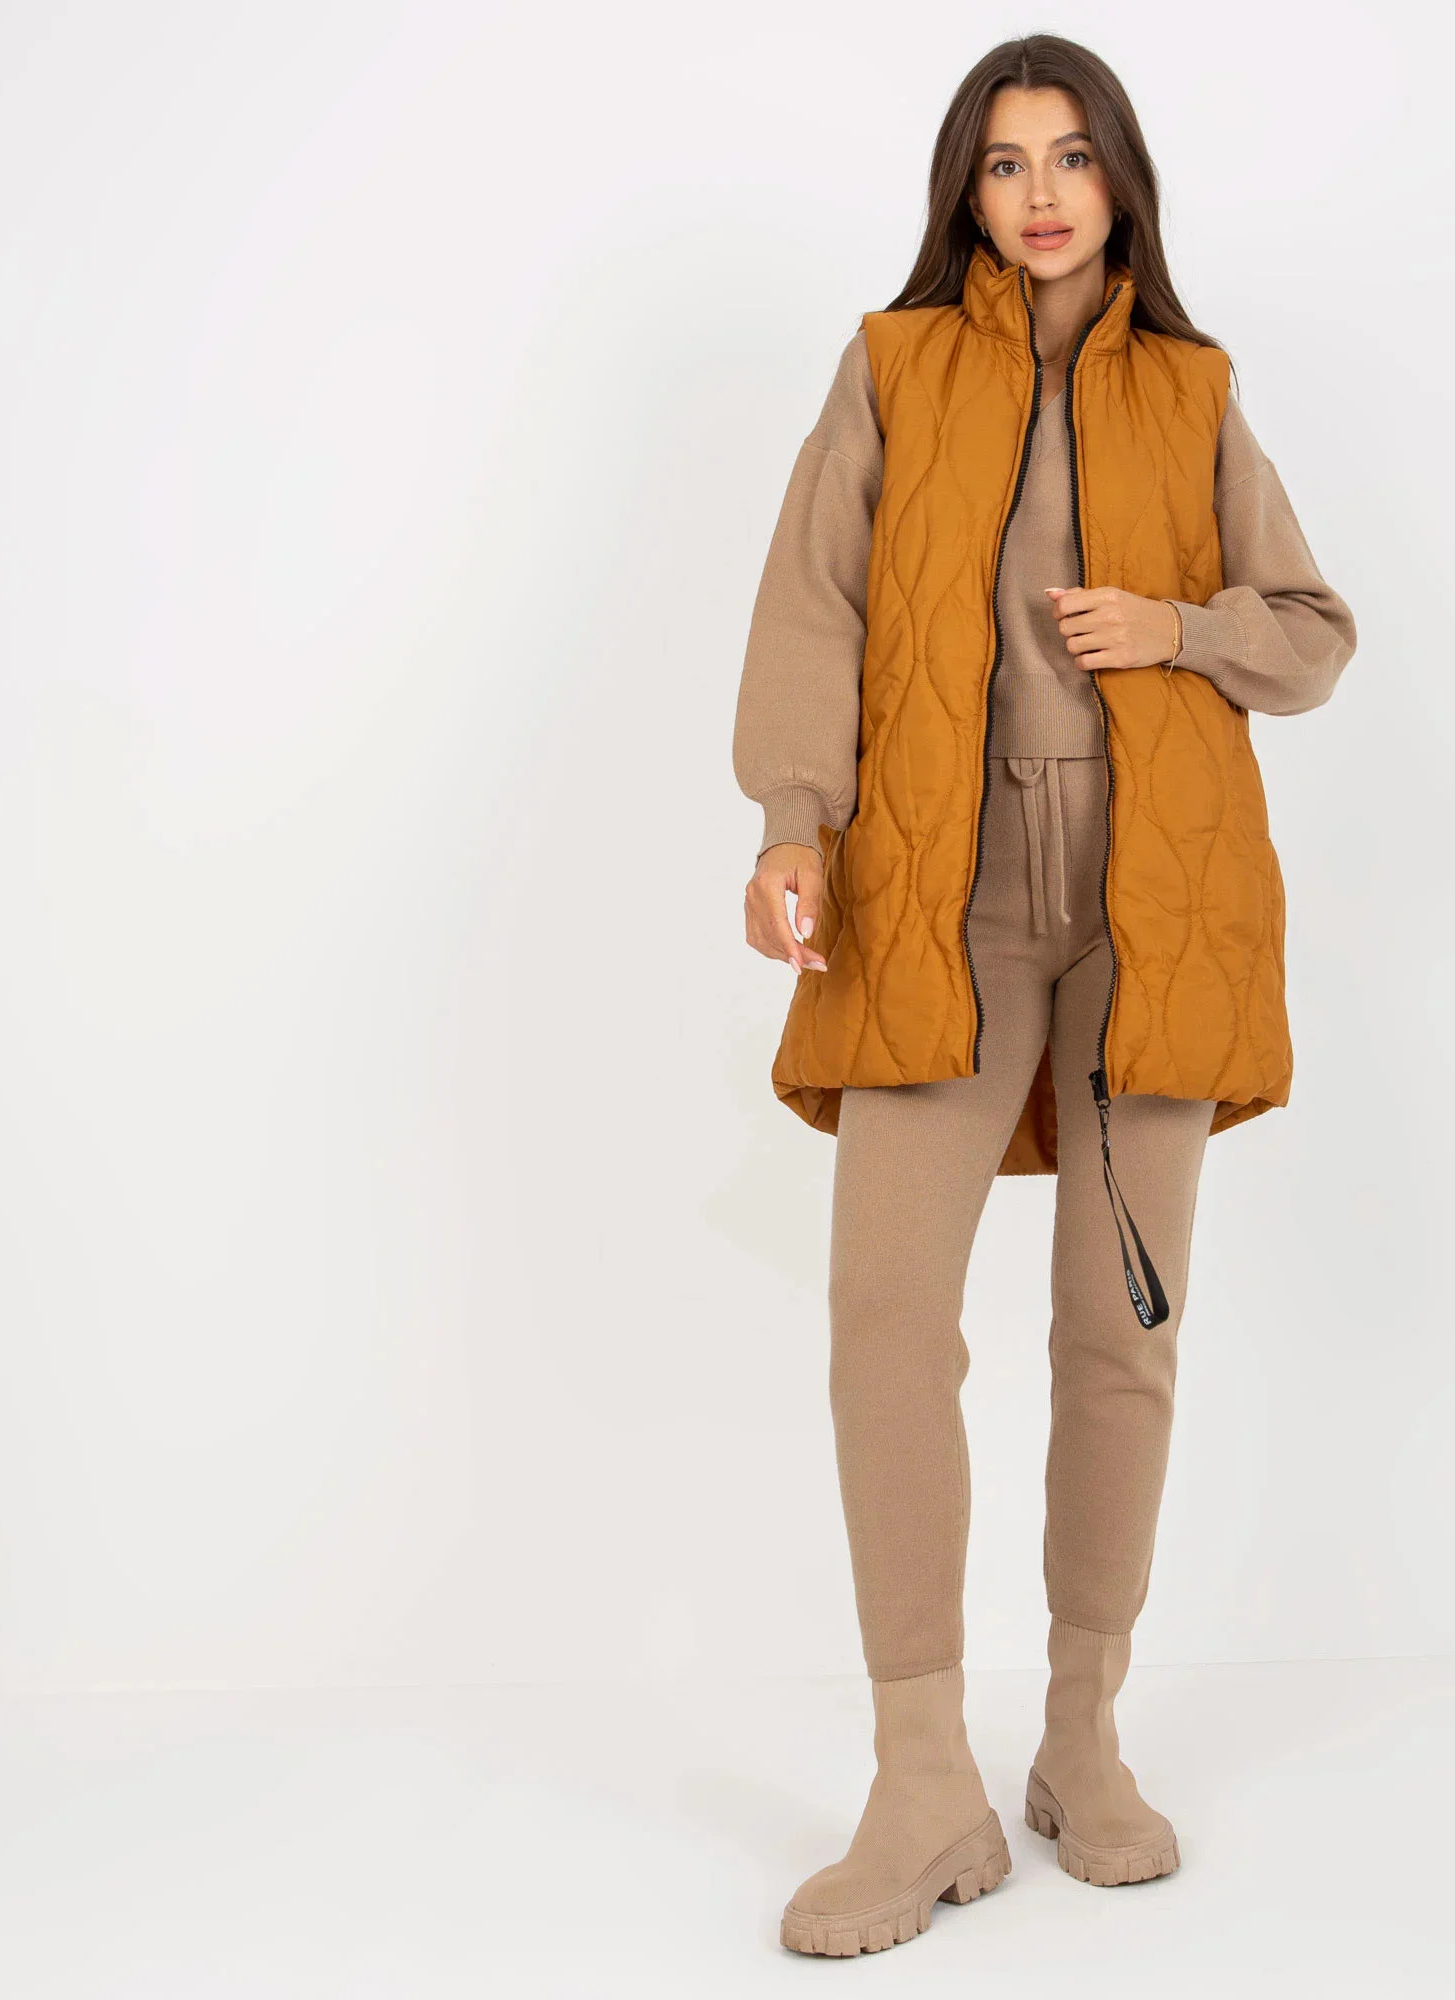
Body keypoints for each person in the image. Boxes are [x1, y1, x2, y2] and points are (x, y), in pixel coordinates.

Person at [732, 33, 1356, 1959]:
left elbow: (1314, 635)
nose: (1042, 192)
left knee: (1118, 1331)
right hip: (941, 904)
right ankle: (923, 1779)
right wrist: (792, 825)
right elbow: (815, 603)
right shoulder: (894, 366)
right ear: (967, 191)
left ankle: (1084, 1738)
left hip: (1153, 921)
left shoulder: (1193, 387)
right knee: (883, 1321)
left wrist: (1174, 627)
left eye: (1072, 156)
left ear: (1120, 179)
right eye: (1005, 163)